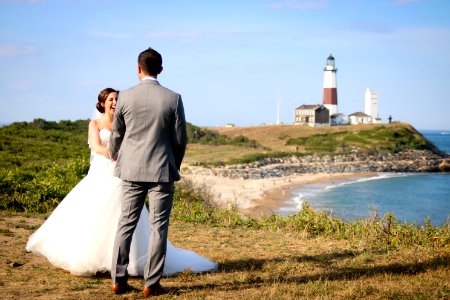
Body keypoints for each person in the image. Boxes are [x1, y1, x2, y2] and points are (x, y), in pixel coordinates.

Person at [25, 88, 217, 279]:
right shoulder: (95, 123)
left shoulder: (124, 119)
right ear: (102, 103)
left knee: (125, 215)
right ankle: (96, 257)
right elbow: (96, 145)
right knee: (97, 213)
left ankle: (122, 262)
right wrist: (115, 154)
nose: (115, 102)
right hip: (103, 171)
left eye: (117, 98)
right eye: (111, 99)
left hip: (125, 171)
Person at [109, 47, 189, 297]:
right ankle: (151, 283)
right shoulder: (173, 98)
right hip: (161, 170)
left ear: (138, 68)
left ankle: (118, 280)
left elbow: (116, 134)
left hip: (131, 169)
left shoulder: (125, 97)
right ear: (161, 69)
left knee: (125, 224)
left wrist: (115, 154)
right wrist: (173, 163)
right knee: (159, 227)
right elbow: (180, 139)